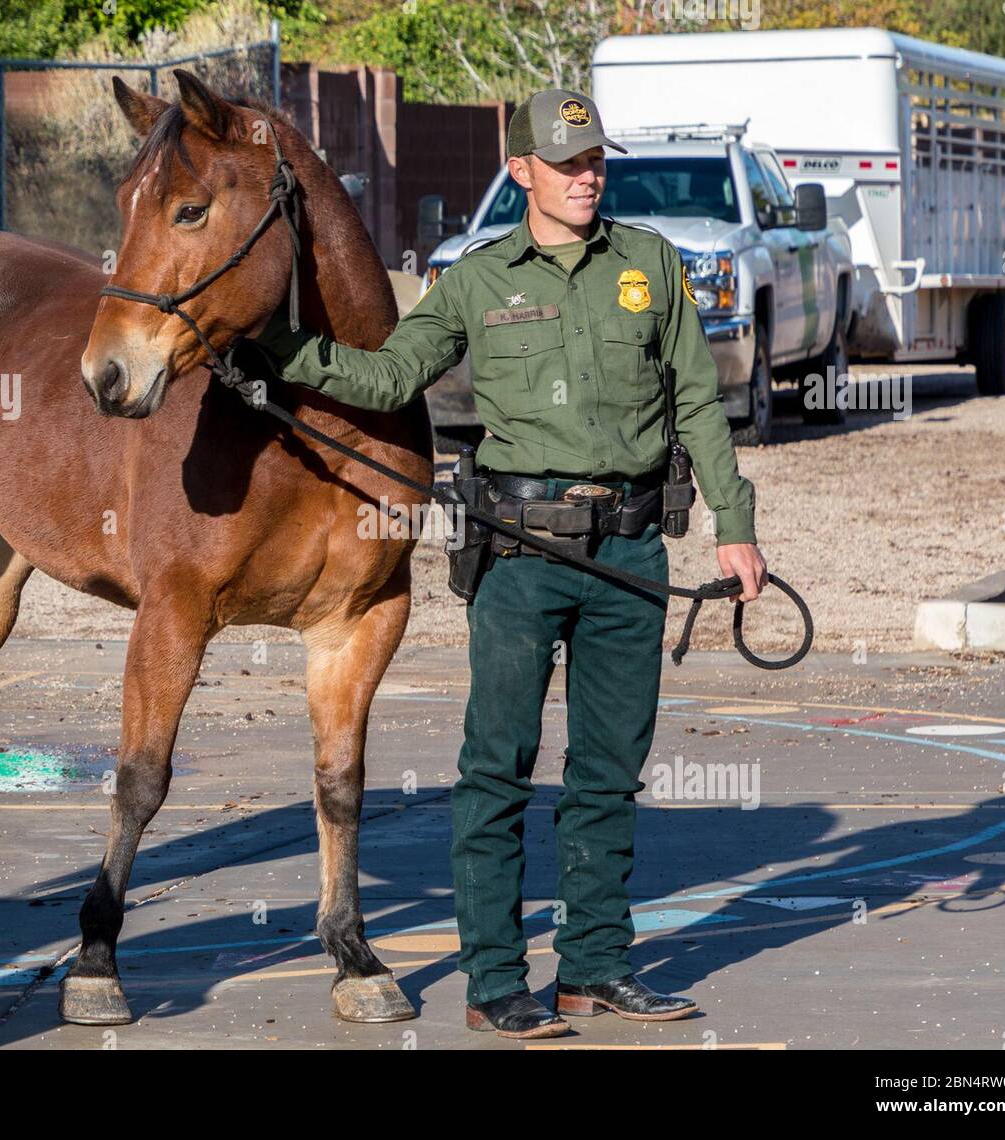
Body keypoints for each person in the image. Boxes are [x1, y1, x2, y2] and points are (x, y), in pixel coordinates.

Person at [250, 88, 766, 1040]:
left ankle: (596, 969)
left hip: (632, 550)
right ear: (521, 170)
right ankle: (495, 981)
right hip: (523, 557)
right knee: (497, 772)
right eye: (566, 162)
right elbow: (389, 374)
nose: (586, 176)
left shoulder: (647, 263)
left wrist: (735, 525)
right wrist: (282, 352)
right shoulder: (480, 281)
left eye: (595, 160)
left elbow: (698, 399)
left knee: (610, 774)